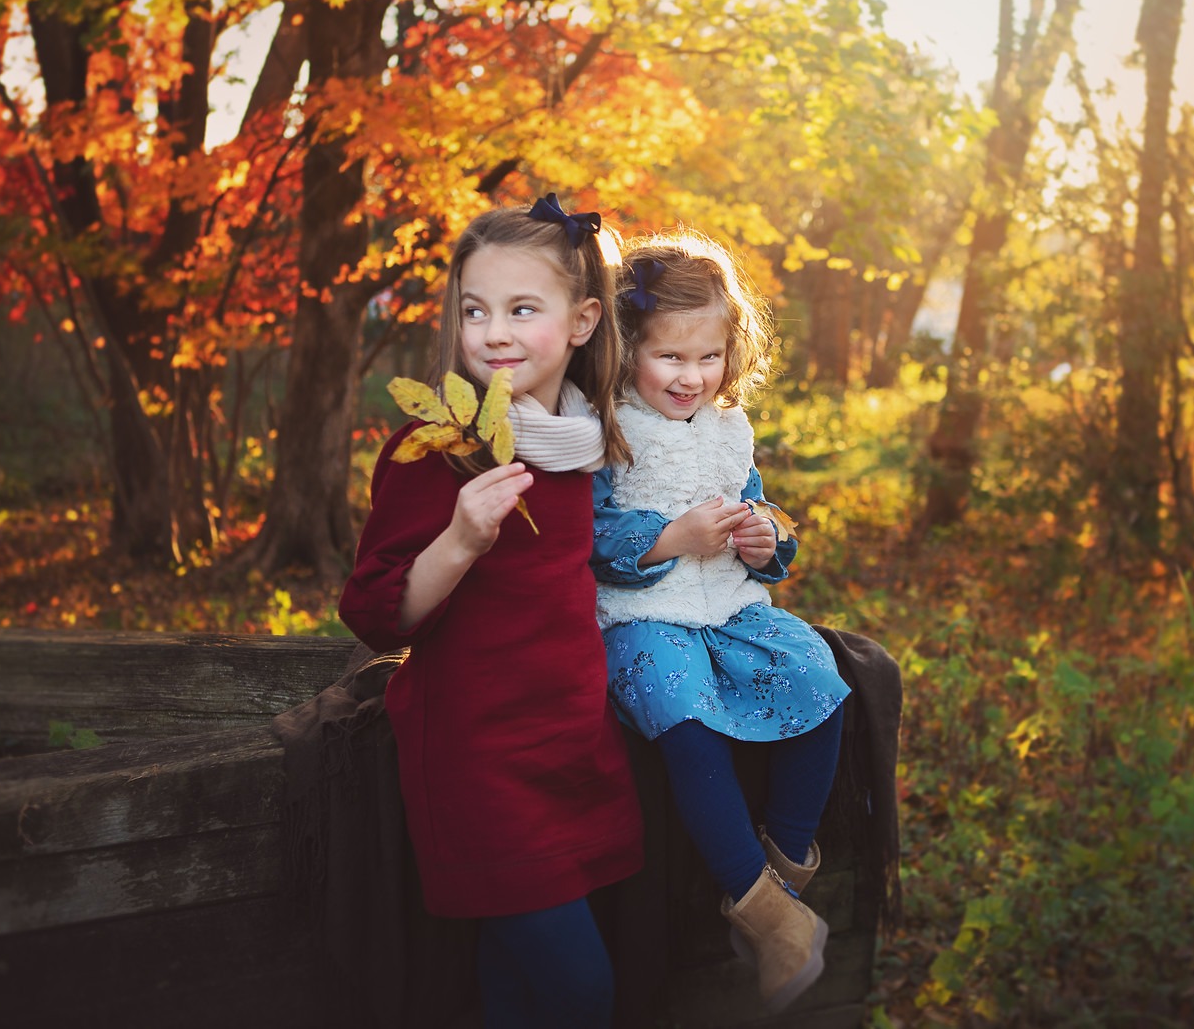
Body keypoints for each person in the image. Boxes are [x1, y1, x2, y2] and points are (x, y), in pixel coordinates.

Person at [338, 195, 642, 1029]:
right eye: (475, 310)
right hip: (480, 756)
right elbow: (376, 612)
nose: (493, 333)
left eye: (521, 309)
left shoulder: (584, 443)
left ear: (582, 321)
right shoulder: (437, 447)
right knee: (580, 991)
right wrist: (461, 539)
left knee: (513, 984)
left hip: (571, 742)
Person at [590, 230, 852, 1014]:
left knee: (818, 674)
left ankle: (780, 881)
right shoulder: (609, 429)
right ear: (628, 345)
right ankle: (761, 909)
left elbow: (760, 508)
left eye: (708, 358)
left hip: (730, 607)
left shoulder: (727, 428)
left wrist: (768, 539)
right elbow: (591, 536)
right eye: (670, 357)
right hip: (644, 616)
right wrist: (669, 540)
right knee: (684, 711)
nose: (691, 376)